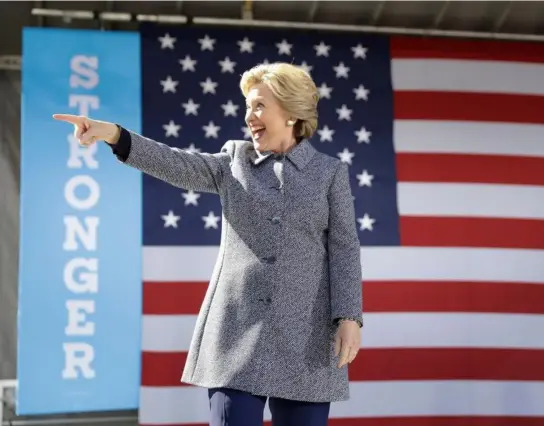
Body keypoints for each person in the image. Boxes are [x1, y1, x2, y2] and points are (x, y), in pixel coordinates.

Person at [54, 62, 363, 426]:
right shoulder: (234, 160)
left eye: (259, 105)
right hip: (235, 332)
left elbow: (344, 250)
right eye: (247, 106)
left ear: (292, 112)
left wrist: (349, 317)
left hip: (306, 335)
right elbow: (176, 163)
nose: (249, 116)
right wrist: (116, 136)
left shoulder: (329, 173)